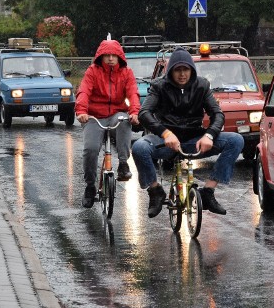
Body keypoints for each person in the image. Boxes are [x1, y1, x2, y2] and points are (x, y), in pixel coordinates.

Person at [131, 47, 244, 218]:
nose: (182, 74)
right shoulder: (159, 86)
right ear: (170, 71)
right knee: (139, 147)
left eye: (186, 69)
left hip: (194, 140)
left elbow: (217, 114)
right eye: (178, 70)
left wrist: (209, 135)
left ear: (192, 70)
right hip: (165, 142)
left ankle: (208, 192)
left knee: (236, 140)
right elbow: (144, 113)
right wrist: (165, 133)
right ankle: (155, 192)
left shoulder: (202, 85)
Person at [75, 39, 141, 208]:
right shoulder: (92, 72)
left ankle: (123, 164)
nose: (111, 58)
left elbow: (133, 93)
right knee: (90, 149)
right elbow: (84, 91)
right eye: (107, 55)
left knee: (124, 120)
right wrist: (81, 111)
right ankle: (90, 186)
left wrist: (134, 112)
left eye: (114, 55)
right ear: (101, 57)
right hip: (94, 116)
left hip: (116, 113)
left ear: (120, 57)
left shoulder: (127, 73)